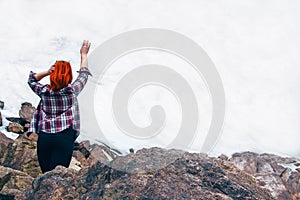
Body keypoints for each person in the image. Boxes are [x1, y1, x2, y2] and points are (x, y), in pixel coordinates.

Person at [27, 40, 92, 173]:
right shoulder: (72, 91)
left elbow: (31, 80)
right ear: (69, 75)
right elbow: (84, 74)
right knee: (57, 175)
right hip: (64, 137)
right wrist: (83, 55)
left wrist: (46, 72)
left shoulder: (44, 92)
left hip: (45, 137)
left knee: (46, 174)